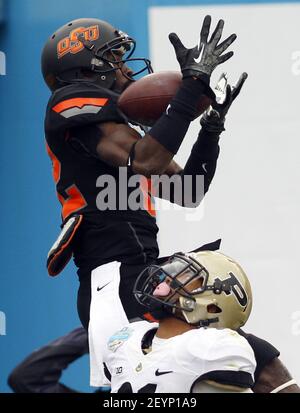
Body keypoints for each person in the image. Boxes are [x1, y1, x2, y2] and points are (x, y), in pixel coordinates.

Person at [41, 15, 239, 386]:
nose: (124, 67)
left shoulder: (118, 132)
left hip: (140, 272)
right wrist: (191, 86)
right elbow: (147, 158)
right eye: (115, 57)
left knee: (214, 366)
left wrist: (211, 128)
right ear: (88, 65)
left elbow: (188, 190)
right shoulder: (67, 102)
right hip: (113, 276)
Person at [103, 250, 299, 393]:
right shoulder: (125, 339)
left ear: (212, 307)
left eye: (186, 275)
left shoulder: (212, 346)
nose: (169, 279)